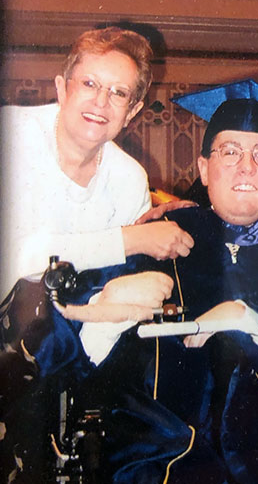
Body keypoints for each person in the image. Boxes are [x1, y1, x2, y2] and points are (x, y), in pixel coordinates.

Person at [15, 91, 258, 483]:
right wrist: (106, 308)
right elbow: (60, 351)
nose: (246, 168)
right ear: (203, 169)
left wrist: (246, 315)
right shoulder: (158, 240)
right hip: (159, 454)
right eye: (230, 152)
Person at [0, 26, 194, 301]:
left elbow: (115, 283)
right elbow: (17, 256)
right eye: (89, 84)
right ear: (62, 89)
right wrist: (131, 240)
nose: (101, 102)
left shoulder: (130, 179)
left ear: (132, 111)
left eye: (119, 93)